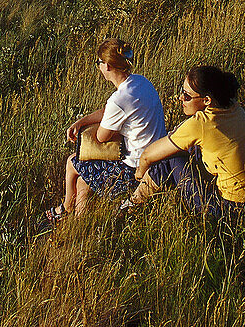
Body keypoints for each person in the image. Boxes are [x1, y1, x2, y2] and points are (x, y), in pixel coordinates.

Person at [45, 40, 166, 223]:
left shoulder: (119, 99)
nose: (99, 67)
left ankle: (66, 208)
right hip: (157, 159)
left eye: (99, 63)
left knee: (72, 162)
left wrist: (86, 130)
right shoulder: (141, 82)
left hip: (133, 170)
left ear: (107, 66)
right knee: (82, 182)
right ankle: (79, 226)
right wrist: (81, 121)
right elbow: (108, 113)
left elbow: (101, 137)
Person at [134, 65, 245, 217]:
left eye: (187, 95)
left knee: (170, 159)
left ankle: (131, 206)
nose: (181, 98)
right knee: (188, 148)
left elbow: (148, 155)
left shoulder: (201, 124)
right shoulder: (234, 108)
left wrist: (139, 173)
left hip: (232, 211)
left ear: (207, 100)